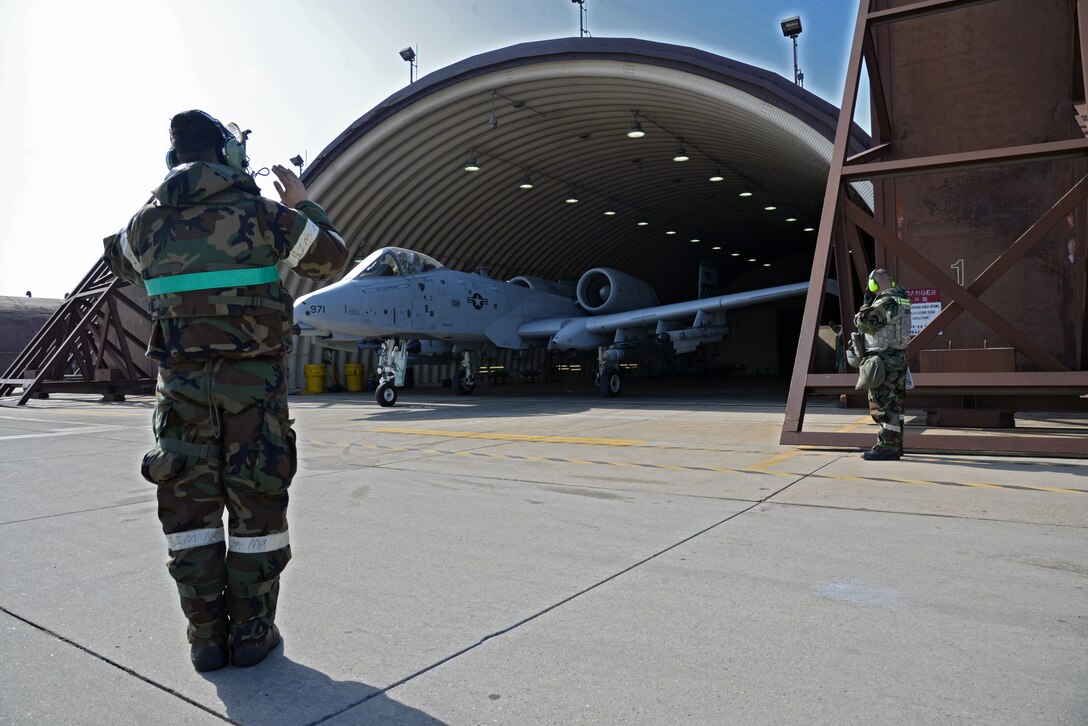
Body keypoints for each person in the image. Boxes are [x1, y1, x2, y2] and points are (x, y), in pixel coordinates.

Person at [103, 110, 348, 671]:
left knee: (189, 515)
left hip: (180, 397)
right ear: (229, 156)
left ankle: (206, 639)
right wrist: (302, 202)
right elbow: (331, 257)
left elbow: (119, 263)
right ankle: (253, 634)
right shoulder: (264, 217)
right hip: (254, 395)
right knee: (257, 512)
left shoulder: (143, 226)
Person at [854, 268, 911, 461]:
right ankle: (895, 445)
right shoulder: (901, 298)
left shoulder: (887, 301)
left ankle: (887, 448)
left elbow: (865, 324)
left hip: (885, 359)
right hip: (897, 357)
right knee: (896, 405)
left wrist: (864, 307)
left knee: (883, 404)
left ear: (874, 284)